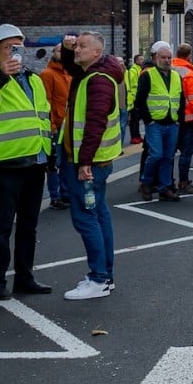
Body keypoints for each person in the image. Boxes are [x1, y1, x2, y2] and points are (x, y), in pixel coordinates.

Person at [0, 23, 54, 299]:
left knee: (29, 226)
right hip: (6, 164)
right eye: (9, 47)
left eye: (19, 46)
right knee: (3, 226)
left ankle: (25, 278)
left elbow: (43, 119)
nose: (16, 52)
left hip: (35, 162)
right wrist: (0, 78)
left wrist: (49, 156)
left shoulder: (34, 79)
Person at [60, 32, 125, 300]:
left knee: (87, 218)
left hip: (89, 161)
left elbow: (95, 122)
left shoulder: (97, 81)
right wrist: (67, 49)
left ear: (97, 52)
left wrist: (84, 160)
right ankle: (104, 276)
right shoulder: (93, 73)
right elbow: (70, 66)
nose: (77, 49)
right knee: (98, 214)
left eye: (82, 46)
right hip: (94, 159)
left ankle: (99, 278)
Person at [134, 41, 183, 202]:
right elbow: (139, 100)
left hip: (172, 122)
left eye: (169, 57)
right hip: (155, 123)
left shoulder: (176, 76)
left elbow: (181, 99)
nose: (167, 60)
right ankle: (147, 183)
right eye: (163, 57)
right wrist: (148, 120)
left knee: (168, 157)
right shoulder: (148, 75)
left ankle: (165, 187)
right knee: (156, 155)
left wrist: (179, 120)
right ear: (156, 58)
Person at [41, 35, 77, 211]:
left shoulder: (69, 73)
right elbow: (46, 102)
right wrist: (51, 126)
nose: (61, 53)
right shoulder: (47, 74)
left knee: (68, 162)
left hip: (68, 125)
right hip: (56, 125)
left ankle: (66, 193)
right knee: (54, 163)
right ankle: (55, 196)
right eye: (58, 50)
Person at [173, 43, 193, 194]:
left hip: (171, 118)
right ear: (189, 55)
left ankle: (166, 183)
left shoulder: (169, 69)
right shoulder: (189, 73)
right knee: (186, 153)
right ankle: (184, 182)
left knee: (168, 153)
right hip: (189, 119)